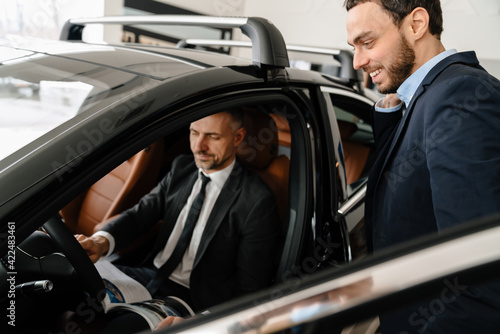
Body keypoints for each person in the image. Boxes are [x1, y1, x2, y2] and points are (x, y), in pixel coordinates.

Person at [344, 0, 500, 333]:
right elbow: (412, 177)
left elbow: (481, 279)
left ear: (416, 24)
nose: (358, 61)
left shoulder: (461, 95)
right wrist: (390, 119)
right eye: (354, 47)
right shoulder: (432, 94)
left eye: (367, 43)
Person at [76, 110, 282, 331]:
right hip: (149, 275)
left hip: (193, 299)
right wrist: (100, 242)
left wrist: (205, 321)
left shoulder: (257, 201)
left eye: (213, 137)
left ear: (238, 138)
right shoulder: (182, 168)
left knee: (118, 329)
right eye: (194, 133)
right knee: (71, 291)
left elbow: (250, 290)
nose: (199, 146)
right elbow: (139, 216)